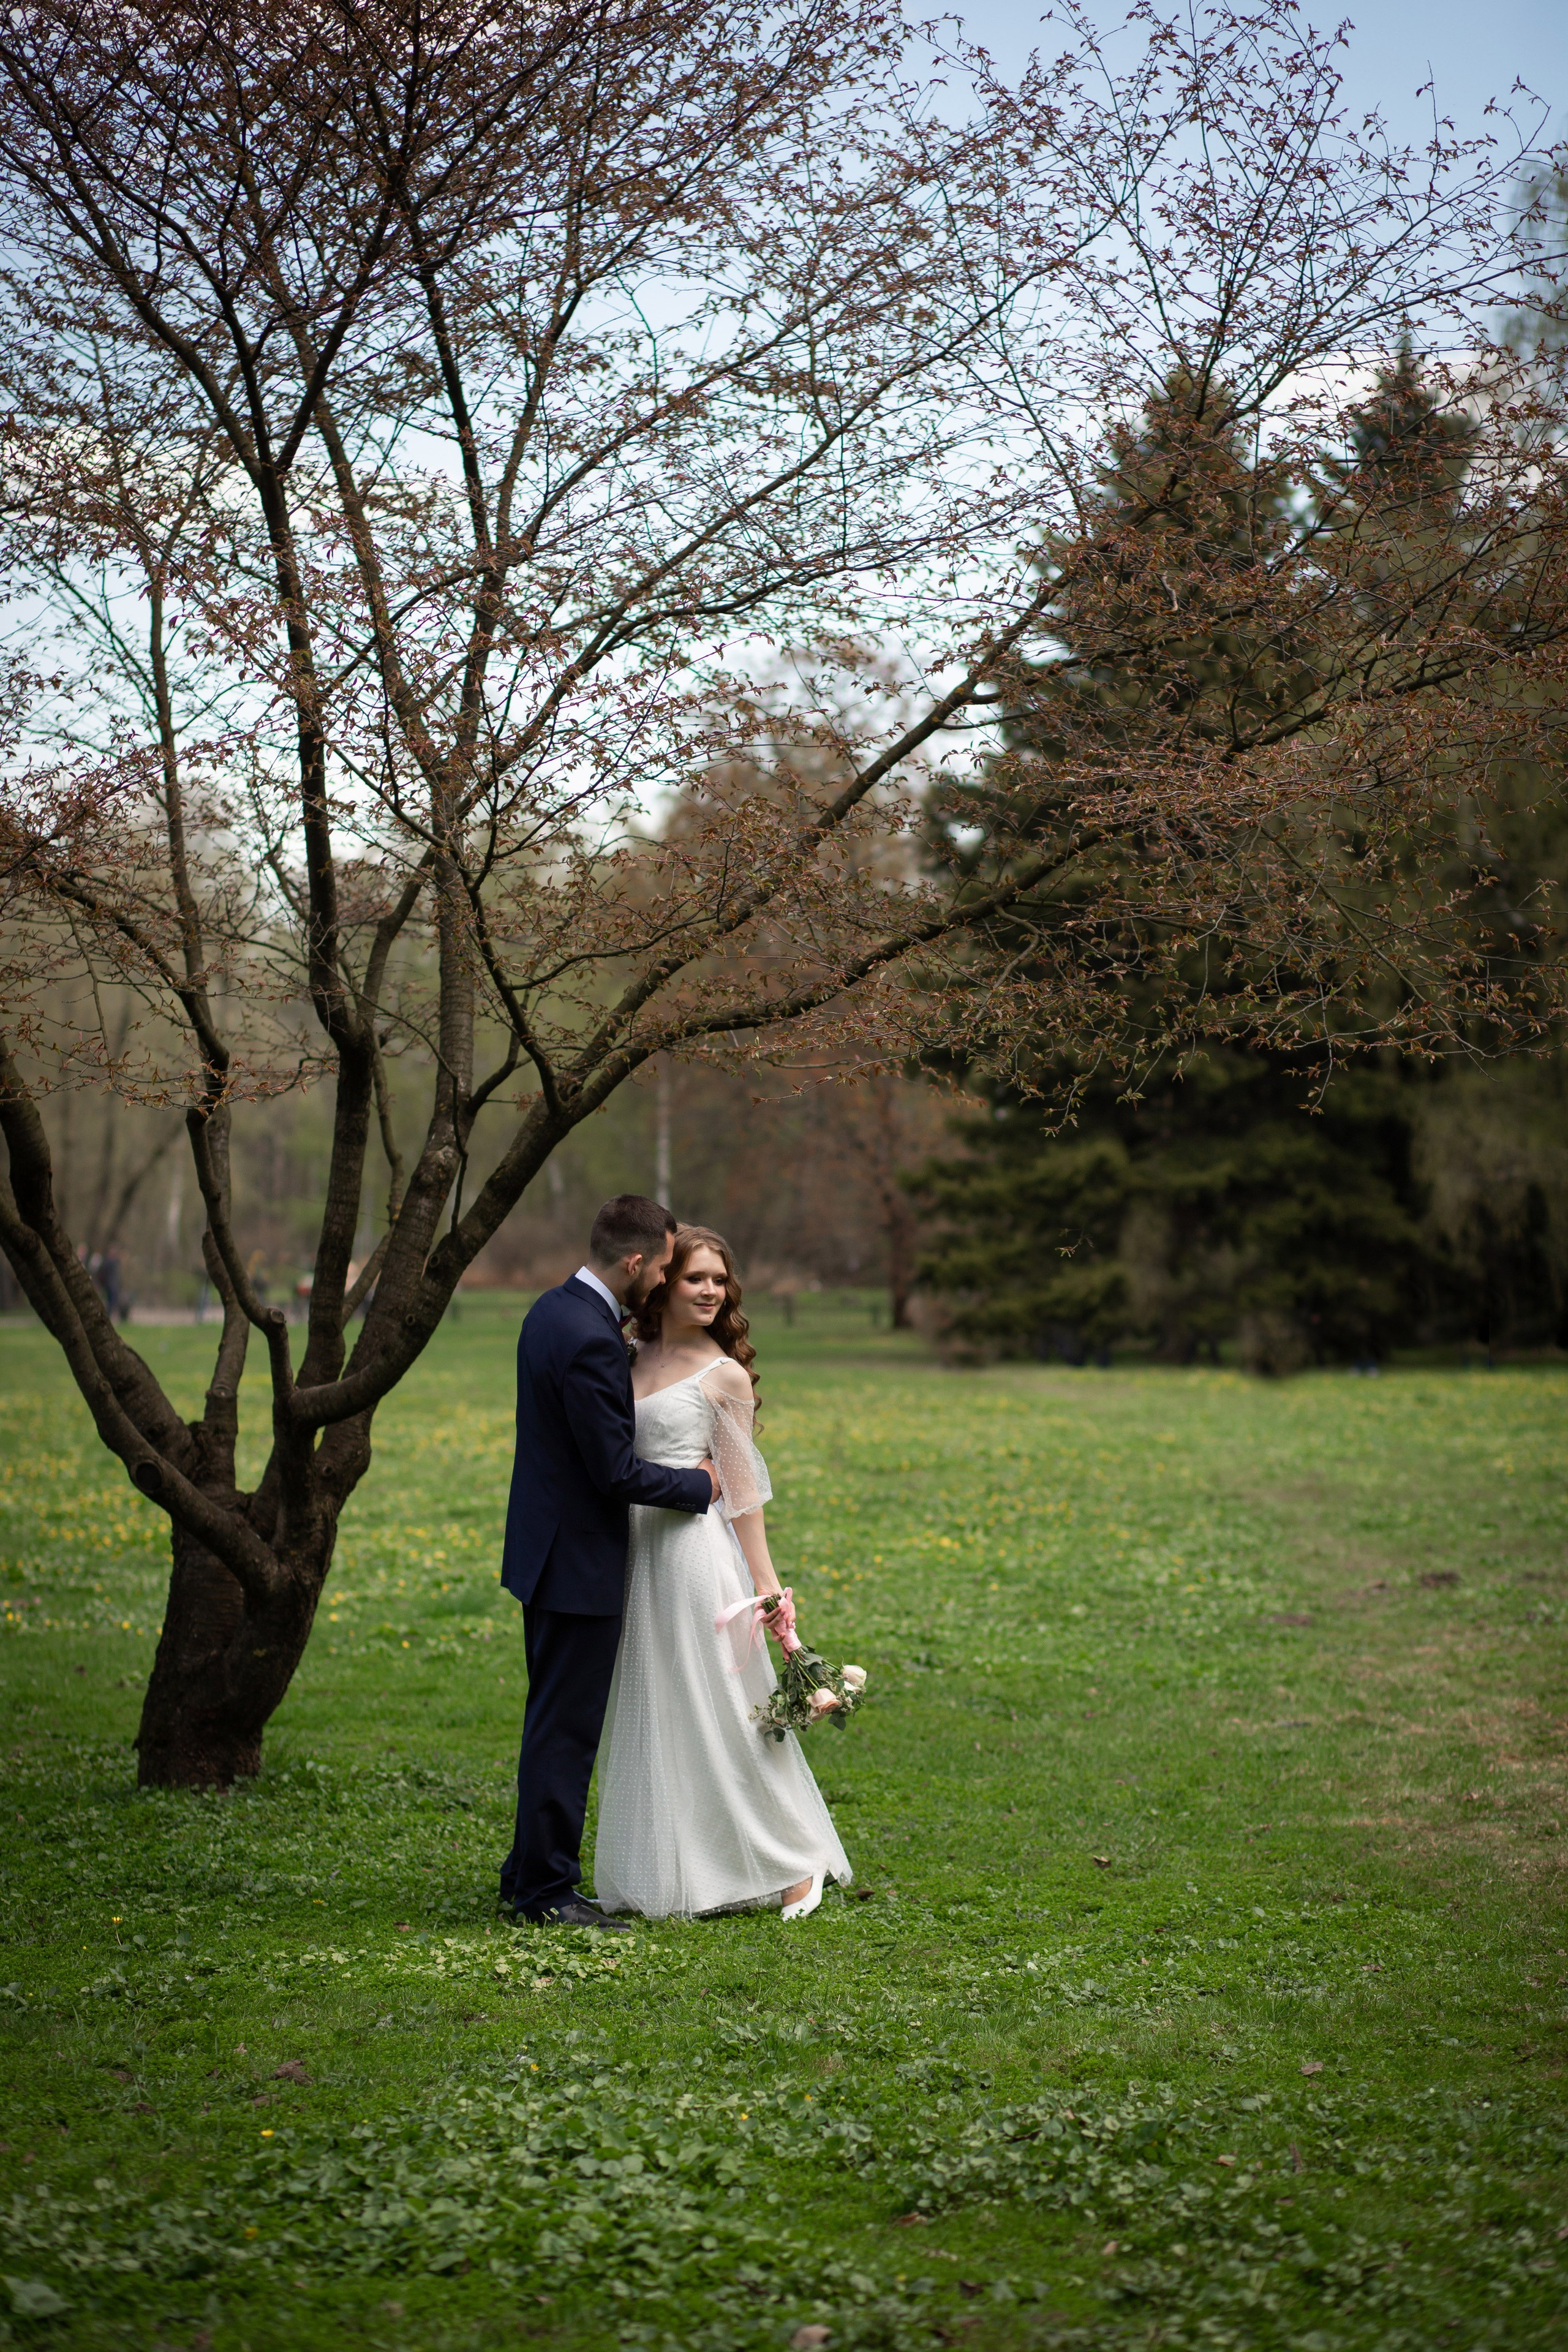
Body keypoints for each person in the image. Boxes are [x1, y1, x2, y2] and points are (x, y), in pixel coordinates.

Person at [593, 1225, 851, 1922]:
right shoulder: (623, 1351)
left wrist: (769, 1591)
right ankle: (677, 1869)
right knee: (658, 1708)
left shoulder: (725, 1375)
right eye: (695, 1279)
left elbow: (743, 1496)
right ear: (663, 1283)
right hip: (634, 1555)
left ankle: (793, 1863)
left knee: (723, 1713)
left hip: (695, 1558)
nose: (710, 1291)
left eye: (719, 1281)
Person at [499, 1196, 719, 1927]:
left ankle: (525, 1873)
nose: (662, 1281)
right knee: (565, 1730)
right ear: (634, 1262)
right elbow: (615, 1474)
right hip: (576, 1561)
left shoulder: (550, 1310)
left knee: (549, 1721)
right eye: (661, 1266)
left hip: (545, 1549)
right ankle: (545, 1896)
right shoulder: (591, 1339)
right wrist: (699, 1485)